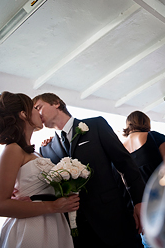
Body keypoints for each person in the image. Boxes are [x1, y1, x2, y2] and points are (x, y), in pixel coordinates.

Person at [33, 93, 145, 248]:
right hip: (79, 233)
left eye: (38, 107)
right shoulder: (46, 149)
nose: (36, 113)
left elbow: (125, 164)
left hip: (115, 220)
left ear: (56, 103)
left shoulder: (96, 126)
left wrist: (139, 201)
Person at [0, 91, 80, 248]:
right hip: (32, 229)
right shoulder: (13, 150)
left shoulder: (35, 153)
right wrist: (53, 207)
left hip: (53, 225)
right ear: (23, 114)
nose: (38, 112)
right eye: (34, 108)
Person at [122, 111, 165, 248]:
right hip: (163, 199)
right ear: (145, 122)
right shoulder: (154, 137)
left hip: (141, 208)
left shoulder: (120, 149)